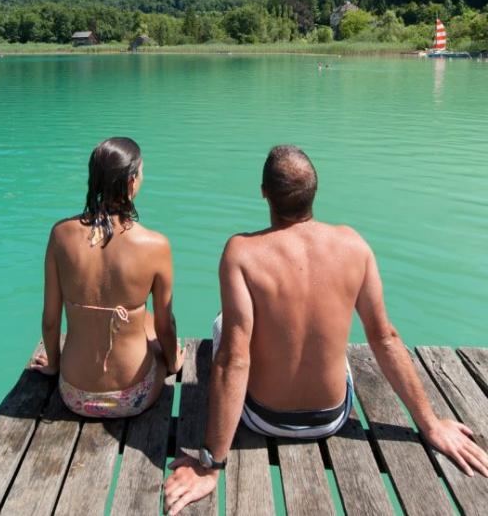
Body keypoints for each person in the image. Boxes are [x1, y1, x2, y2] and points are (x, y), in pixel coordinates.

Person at [164, 145, 488, 514]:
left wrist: (211, 464)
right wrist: (430, 425)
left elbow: (234, 359)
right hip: (332, 418)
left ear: (264, 192)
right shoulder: (354, 245)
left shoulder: (242, 252)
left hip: (263, 418)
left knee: (225, 325)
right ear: (314, 192)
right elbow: (384, 337)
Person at [30, 136, 183, 417]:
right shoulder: (155, 245)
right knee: (150, 323)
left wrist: (53, 365)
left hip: (75, 394)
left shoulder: (60, 235)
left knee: (143, 320)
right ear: (131, 182)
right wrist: (172, 363)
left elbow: (51, 321)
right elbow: (165, 325)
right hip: (132, 396)